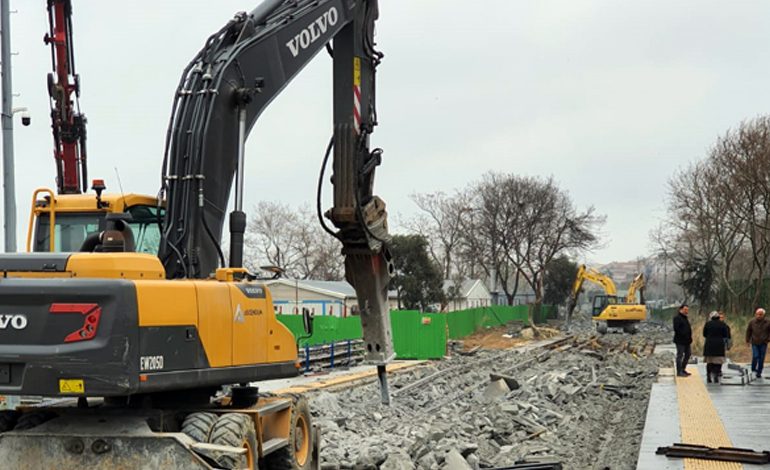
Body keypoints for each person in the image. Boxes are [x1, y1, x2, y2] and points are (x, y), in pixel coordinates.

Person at [703, 311, 730, 383]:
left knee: (710, 361)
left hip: (709, 344)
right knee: (718, 361)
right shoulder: (723, 324)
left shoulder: (708, 324)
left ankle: (708, 375)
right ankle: (716, 375)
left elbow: (704, 334)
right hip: (719, 344)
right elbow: (725, 335)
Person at [746, 307, 770, 379]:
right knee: (756, 356)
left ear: (763, 315)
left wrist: (768, 339)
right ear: (755, 314)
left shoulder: (768, 322)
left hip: (763, 342)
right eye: (757, 314)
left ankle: (759, 372)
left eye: (760, 314)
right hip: (754, 342)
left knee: (761, 358)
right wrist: (747, 340)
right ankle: (753, 368)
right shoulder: (752, 322)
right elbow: (748, 331)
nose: (759, 316)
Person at [673, 304, 692, 377]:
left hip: (687, 341)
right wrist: (684, 335)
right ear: (680, 310)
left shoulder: (685, 318)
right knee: (680, 355)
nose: (686, 311)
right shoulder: (677, 318)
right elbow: (677, 329)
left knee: (688, 354)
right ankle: (679, 371)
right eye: (685, 310)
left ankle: (683, 369)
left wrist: (689, 337)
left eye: (687, 310)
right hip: (680, 340)